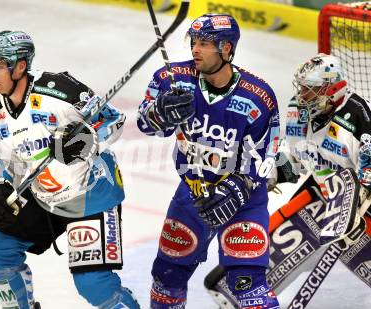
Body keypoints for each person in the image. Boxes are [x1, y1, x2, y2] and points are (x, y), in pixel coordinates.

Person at [0, 30, 140, 309]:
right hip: (44, 194)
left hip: (90, 192)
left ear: (21, 66)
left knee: (93, 285)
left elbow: (113, 120)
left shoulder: (60, 89)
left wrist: (85, 139)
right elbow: (1, 160)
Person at [204, 53, 371, 308]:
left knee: (362, 258)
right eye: (302, 88)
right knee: (286, 236)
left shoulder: (359, 118)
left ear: (332, 89)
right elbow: (297, 158)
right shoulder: (298, 110)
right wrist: (262, 177)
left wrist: (362, 196)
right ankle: (246, 293)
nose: (302, 95)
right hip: (323, 191)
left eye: (310, 90)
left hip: (361, 201)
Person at [136, 14, 281, 308]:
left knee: (248, 283)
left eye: (205, 43)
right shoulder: (171, 80)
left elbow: (267, 155)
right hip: (192, 192)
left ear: (227, 49)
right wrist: (160, 113)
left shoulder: (259, 97)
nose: (195, 50)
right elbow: (145, 124)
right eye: (194, 42)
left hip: (242, 200)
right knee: (167, 278)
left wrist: (237, 188)